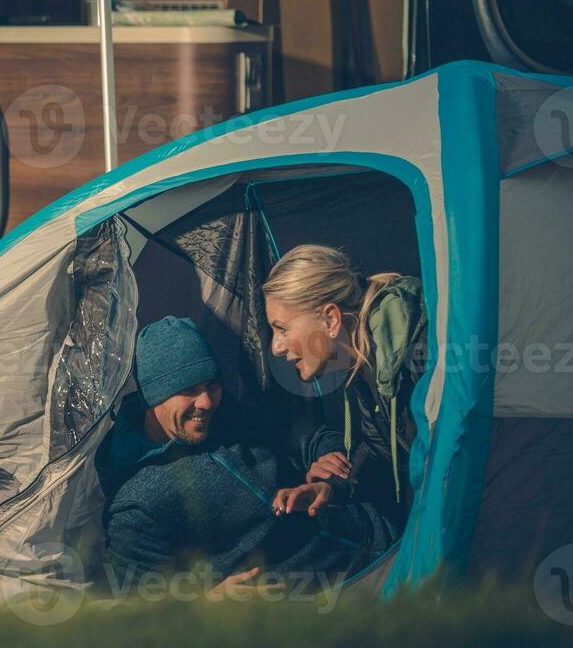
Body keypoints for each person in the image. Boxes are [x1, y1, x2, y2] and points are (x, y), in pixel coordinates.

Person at [96, 316, 396, 591]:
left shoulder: (230, 416)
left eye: (211, 384)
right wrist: (207, 605)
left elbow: (309, 436)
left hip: (384, 537)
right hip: (328, 599)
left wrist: (326, 464)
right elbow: (134, 608)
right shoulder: (137, 500)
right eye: (188, 389)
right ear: (153, 395)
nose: (206, 402)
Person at [262, 244, 427, 525]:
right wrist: (332, 487)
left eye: (283, 328)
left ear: (330, 319)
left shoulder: (417, 354)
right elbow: (386, 449)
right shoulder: (363, 360)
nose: (276, 347)